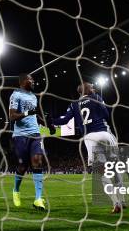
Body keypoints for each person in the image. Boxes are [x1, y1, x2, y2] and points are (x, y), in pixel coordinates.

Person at [50, 82, 124, 213]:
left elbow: (65, 120)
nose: (94, 88)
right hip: (104, 133)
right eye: (91, 87)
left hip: (90, 139)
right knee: (116, 168)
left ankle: (115, 202)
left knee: (102, 173)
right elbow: (106, 114)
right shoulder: (96, 97)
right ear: (86, 90)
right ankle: (122, 200)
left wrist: (50, 121)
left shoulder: (73, 104)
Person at [9, 74, 48, 211]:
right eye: (30, 79)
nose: (33, 81)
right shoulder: (15, 95)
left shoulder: (33, 96)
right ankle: (16, 190)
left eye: (33, 79)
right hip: (20, 135)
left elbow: (35, 114)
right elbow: (12, 116)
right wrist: (27, 113)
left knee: (38, 161)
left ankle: (38, 199)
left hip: (35, 133)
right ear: (22, 81)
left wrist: (47, 124)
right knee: (22, 167)